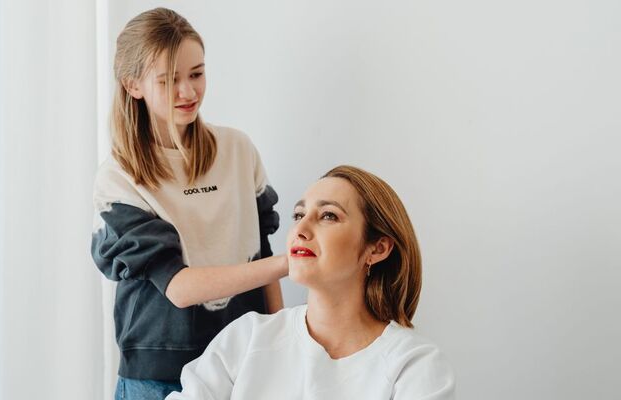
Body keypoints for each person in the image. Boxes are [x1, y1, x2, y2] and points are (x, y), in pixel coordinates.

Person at [90, 7, 287, 400]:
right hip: (158, 379)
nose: (188, 92)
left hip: (243, 365)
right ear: (133, 85)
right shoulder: (119, 179)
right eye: (168, 81)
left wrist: (282, 338)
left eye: (196, 74)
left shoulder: (237, 150)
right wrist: (293, 261)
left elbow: (262, 255)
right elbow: (178, 287)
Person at [167, 165, 456, 400]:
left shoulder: (414, 364)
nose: (300, 229)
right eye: (298, 215)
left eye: (328, 216)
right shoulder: (246, 338)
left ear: (377, 249)